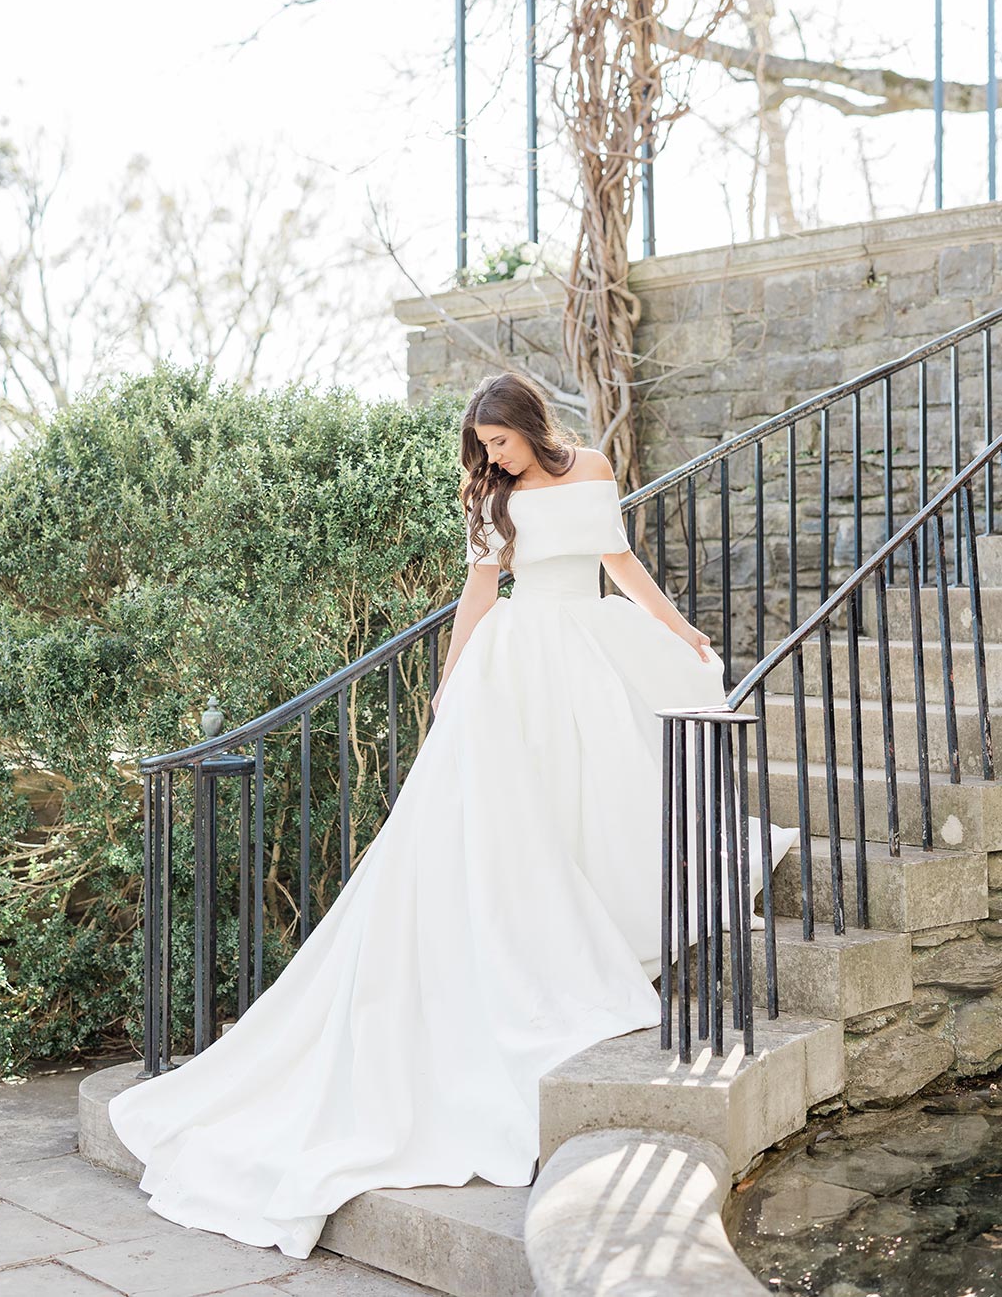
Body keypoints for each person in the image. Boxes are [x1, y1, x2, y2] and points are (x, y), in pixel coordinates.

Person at [108, 369, 798, 1259]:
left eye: (500, 443)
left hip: (583, 648)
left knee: (599, 789)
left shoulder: (590, 466)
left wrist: (677, 627)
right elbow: (480, 591)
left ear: (528, 427)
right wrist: (450, 674)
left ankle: (605, 911)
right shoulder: (488, 498)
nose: (490, 458)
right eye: (483, 448)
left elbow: (619, 562)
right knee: (518, 813)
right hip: (516, 661)